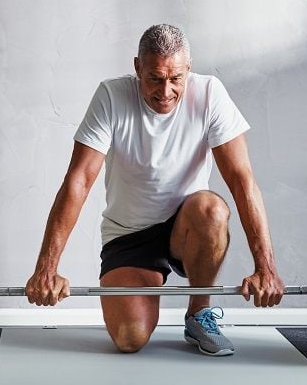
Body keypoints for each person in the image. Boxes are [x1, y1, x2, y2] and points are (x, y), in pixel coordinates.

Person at [25, 24, 284, 356]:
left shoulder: (209, 94)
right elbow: (78, 181)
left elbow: (242, 181)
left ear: (188, 69)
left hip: (187, 226)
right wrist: (47, 267)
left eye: (176, 78)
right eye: (154, 78)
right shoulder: (111, 96)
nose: (165, 91)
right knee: (129, 339)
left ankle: (199, 311)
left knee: (212, 210)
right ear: (137, 68)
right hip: (129, 235)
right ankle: (145, 291)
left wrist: (266, 268)